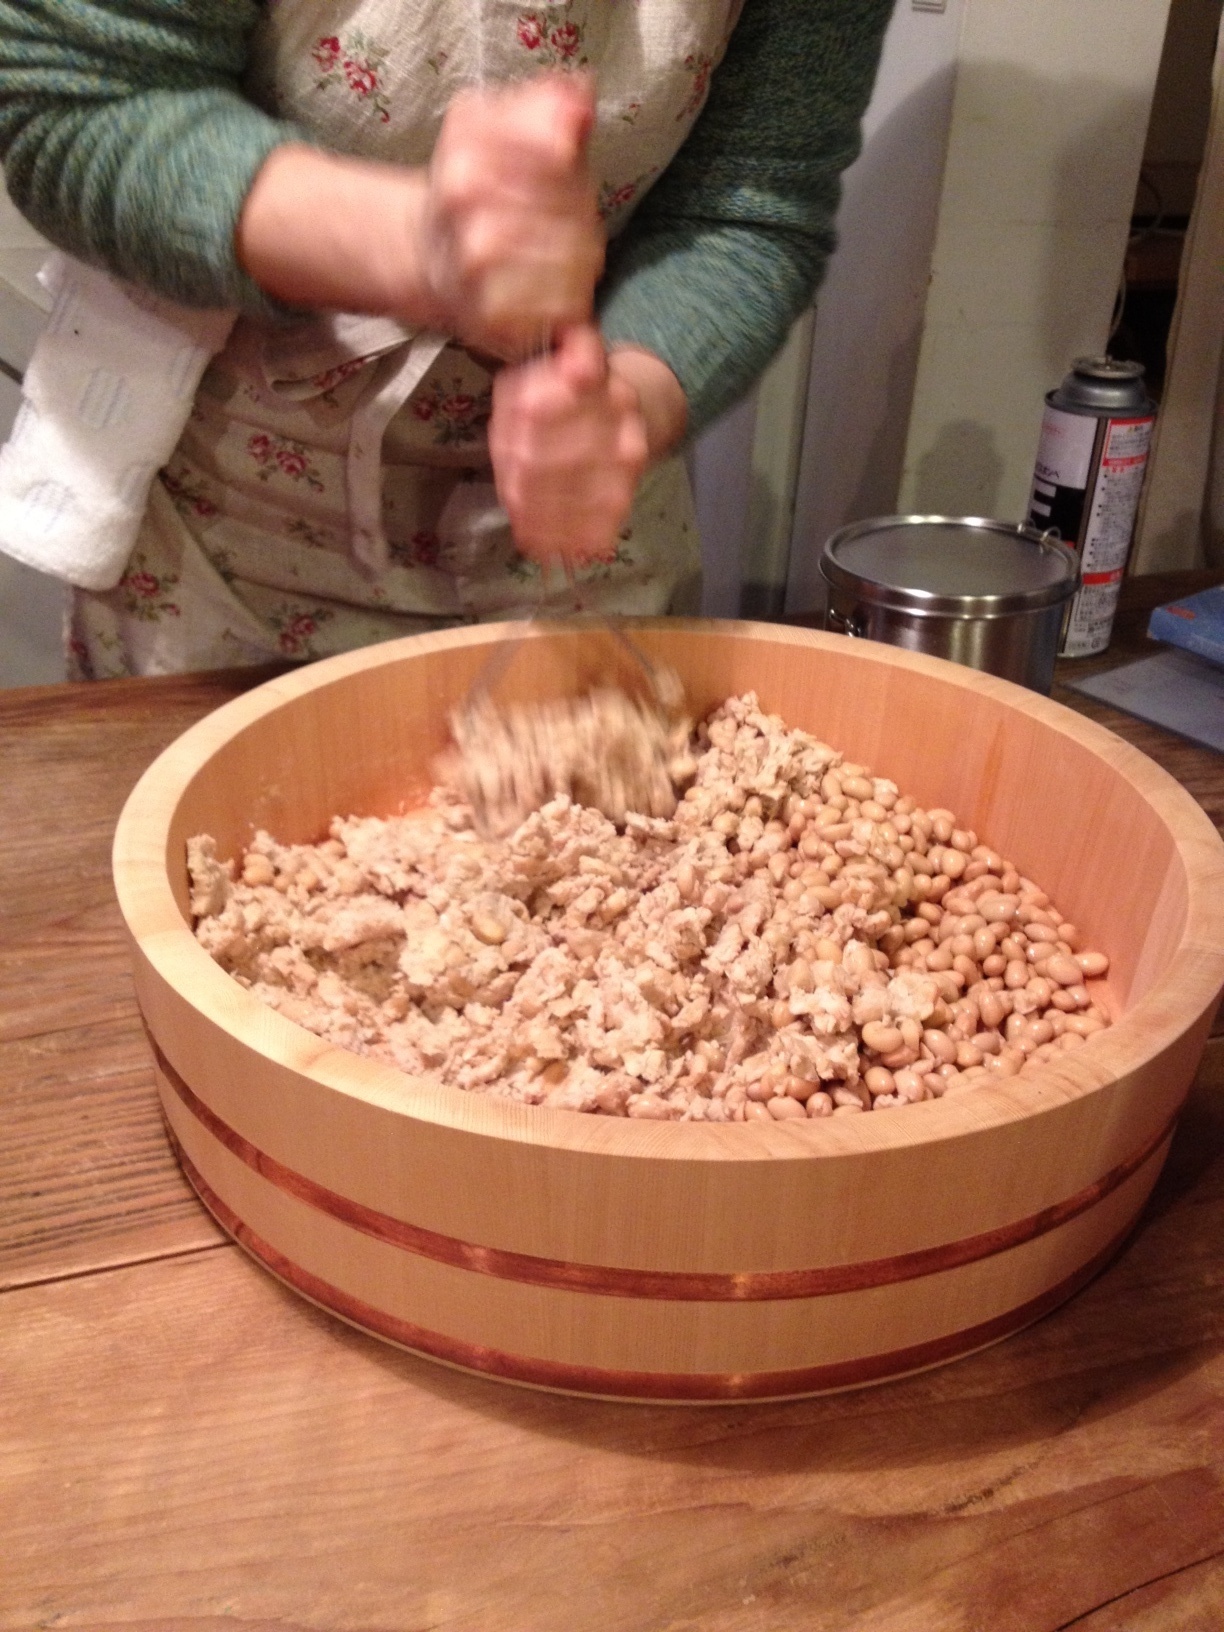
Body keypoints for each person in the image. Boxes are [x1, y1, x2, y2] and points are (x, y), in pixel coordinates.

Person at [0, 0, 893, 677]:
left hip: (576, 557)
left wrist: (628, 401)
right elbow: (81, 96)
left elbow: (747, 210)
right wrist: (413, 246)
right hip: (225, 541)